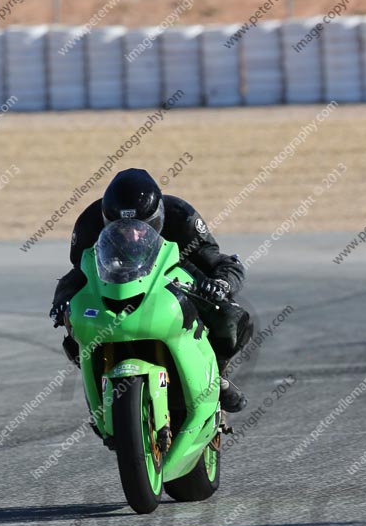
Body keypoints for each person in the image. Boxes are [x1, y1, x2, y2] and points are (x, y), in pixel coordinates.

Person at [50, 168, 253, 412]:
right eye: (122, 226)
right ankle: (101, 387)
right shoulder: (89, 224)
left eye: (141, 225)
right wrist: (62, 300)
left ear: (158, 216)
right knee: (74, 329)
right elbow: (79, 273)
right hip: (114, 287)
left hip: (174, 283)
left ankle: (217, 377)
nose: (133, 234)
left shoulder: (181, 217)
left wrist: (220, 284)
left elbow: (221, 262)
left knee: (230, 318)